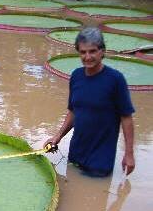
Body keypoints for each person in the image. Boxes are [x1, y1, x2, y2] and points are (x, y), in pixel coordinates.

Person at [45, 27, 135, 177]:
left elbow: (126, 117)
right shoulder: (76, 76)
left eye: (92, 51)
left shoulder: (115, 80)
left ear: (102, 51)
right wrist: (58, 136)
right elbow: (73, 111)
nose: (87, 57)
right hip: (75, 154)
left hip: (100, 160)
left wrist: (129, 154)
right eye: (83, 52)